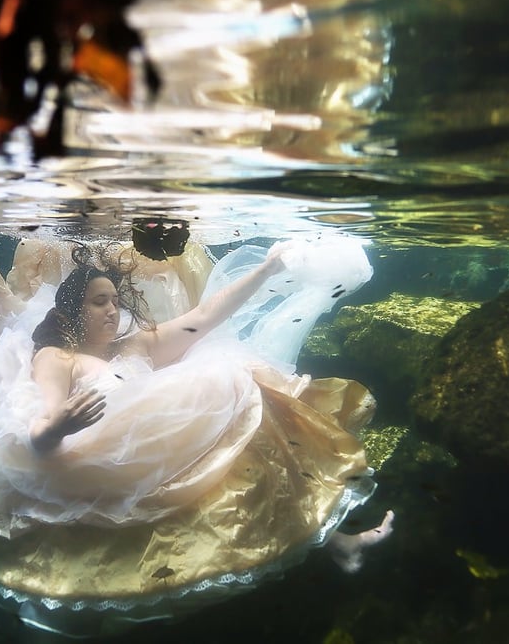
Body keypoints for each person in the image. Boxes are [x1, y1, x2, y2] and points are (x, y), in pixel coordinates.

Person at [25, 240, 393, 569]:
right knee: (236, 396)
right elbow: (39, 434)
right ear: (73, 308)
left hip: (165, 446)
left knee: (249, 402)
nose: (112, 311)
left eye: (116, 302)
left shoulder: (135, 345)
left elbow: (204, 317)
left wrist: (268, 269)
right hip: (105, 466)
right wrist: (59, 428)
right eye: (99, 301)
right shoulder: (57, 358)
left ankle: (337, 543)